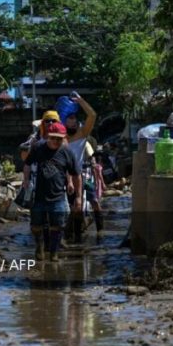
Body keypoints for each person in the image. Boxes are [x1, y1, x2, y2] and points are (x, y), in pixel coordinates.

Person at [23, 121, 79, 261]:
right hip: (39, 196)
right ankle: (39, 248)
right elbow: (27, 164)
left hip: (58, 196)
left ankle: (54, 253)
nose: (55, 141)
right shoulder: (38, 148)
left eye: (59, 139)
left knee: (58, 226)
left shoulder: (67, 152)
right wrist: (26, 179)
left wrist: (77, 195)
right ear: (48, 136)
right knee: (36, 226)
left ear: (63, 138)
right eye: (53, 138)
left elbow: (76, 173)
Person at [63, 93, 102, 240]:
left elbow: (92, 115)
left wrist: (81, 101)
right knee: (69, 208)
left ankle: (97, 232)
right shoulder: (59, 137)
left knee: (92, 202)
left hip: (80, 174)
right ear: (64, 120)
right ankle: (67, 234)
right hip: (63, 176)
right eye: (69, 118)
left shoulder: (82, 133)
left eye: (74, 118)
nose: (72, 121)